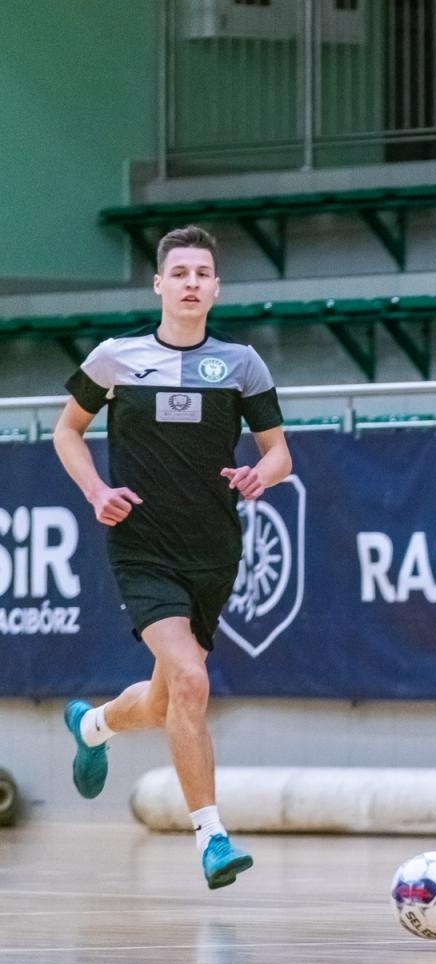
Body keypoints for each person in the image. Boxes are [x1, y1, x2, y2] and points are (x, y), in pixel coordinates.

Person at [53, 225, 292, 890]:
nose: (190, 282)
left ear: (216, 287)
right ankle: (212, 836)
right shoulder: (116, 357)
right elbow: (66, 431)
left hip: (214, 550)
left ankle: (94, 723)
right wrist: (96, 489)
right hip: (142, 547)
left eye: (202, 273)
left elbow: (280, 452)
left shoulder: (241, 364)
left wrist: (260, 476)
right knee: (190, 680)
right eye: (178, 272)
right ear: (159, 284)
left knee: (166, 699)